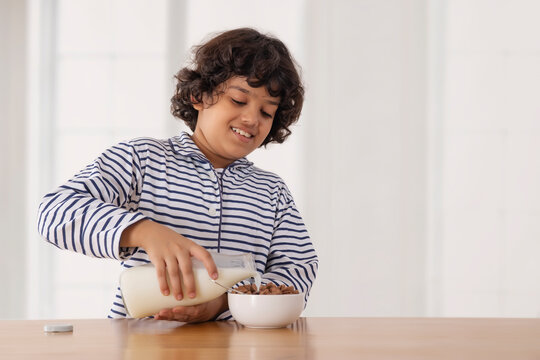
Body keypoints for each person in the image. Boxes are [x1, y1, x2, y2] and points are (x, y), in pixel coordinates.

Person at [37, 27, 318, 323]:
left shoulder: (271, 191)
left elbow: (298, 270)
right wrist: (143, 231)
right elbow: (55, 212)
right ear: (199, 95)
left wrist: (224, 302)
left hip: (237, 348)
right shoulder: (142, 159)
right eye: (238, 100)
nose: (251, 119)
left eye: (266, 112)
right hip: (142, 343)